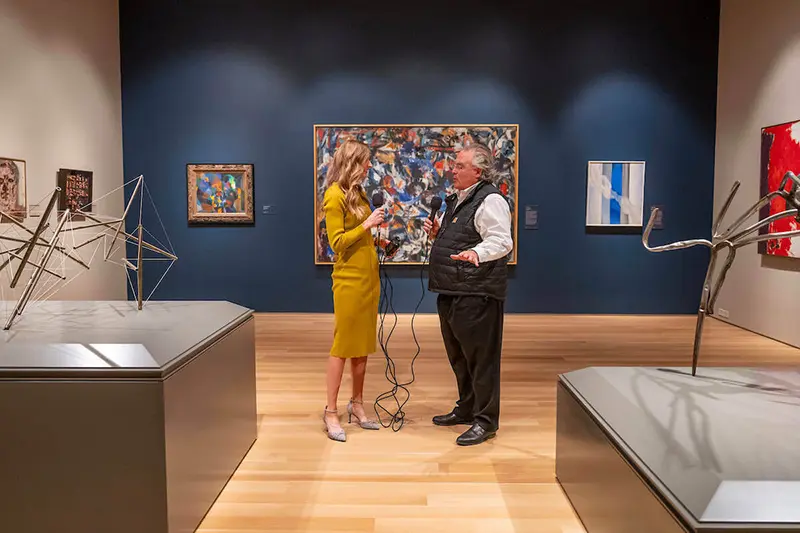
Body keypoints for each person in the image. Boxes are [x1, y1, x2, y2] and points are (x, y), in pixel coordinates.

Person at [423, 142, 513, 446]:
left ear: (478, 170)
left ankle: (486, 420)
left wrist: (476, 252)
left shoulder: (491, 200)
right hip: (451, 290)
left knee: (481, 359)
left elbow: (501, 241)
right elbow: (466, 232)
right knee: (459, 356)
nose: (453, 169)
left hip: (477, 292)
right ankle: (467, 407)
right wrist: (440, 232)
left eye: (459, 165)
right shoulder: (458, 200)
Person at [321, 139, 386, 442]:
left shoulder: (357, 194)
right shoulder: (334, 196)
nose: (369, 166)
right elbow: (336, 242)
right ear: (351, 162)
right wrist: (368, 224)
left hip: (368, 278)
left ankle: (357, 403)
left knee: (362, 345)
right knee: (343, 346)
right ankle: (331, 411)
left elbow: (361, 235)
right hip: (347, 279)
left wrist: (381, 240)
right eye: (365, 161)